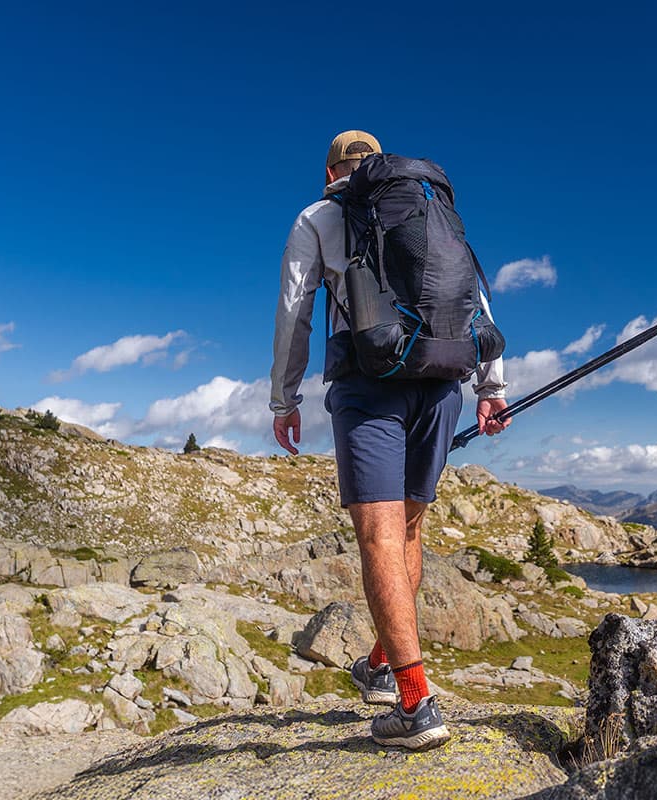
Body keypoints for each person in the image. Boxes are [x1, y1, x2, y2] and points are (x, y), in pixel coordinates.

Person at [269, 130, 509, 750]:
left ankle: (414, 704)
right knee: (407, 530)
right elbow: (470, 295)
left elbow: (295, 310)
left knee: (377, 532)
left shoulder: (320, 215)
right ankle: (380, 666)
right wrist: (492, 386)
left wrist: (284, 399)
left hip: (368, 383)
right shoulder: (431, 210)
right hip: (441, 380)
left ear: (330, 172)